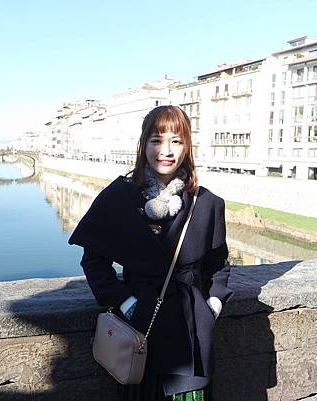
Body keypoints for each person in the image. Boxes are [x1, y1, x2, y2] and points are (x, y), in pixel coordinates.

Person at [68, 105, 233, 401]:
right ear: (143, 144)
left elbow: (218, 263)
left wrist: (213, 304)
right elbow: (94, 262)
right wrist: (126, 303)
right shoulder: (119, 197)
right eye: (157, 140)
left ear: (187, 147)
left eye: (176, 141)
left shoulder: (207, 203)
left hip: (191, 335)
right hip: (140, 329)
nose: (166, 151)